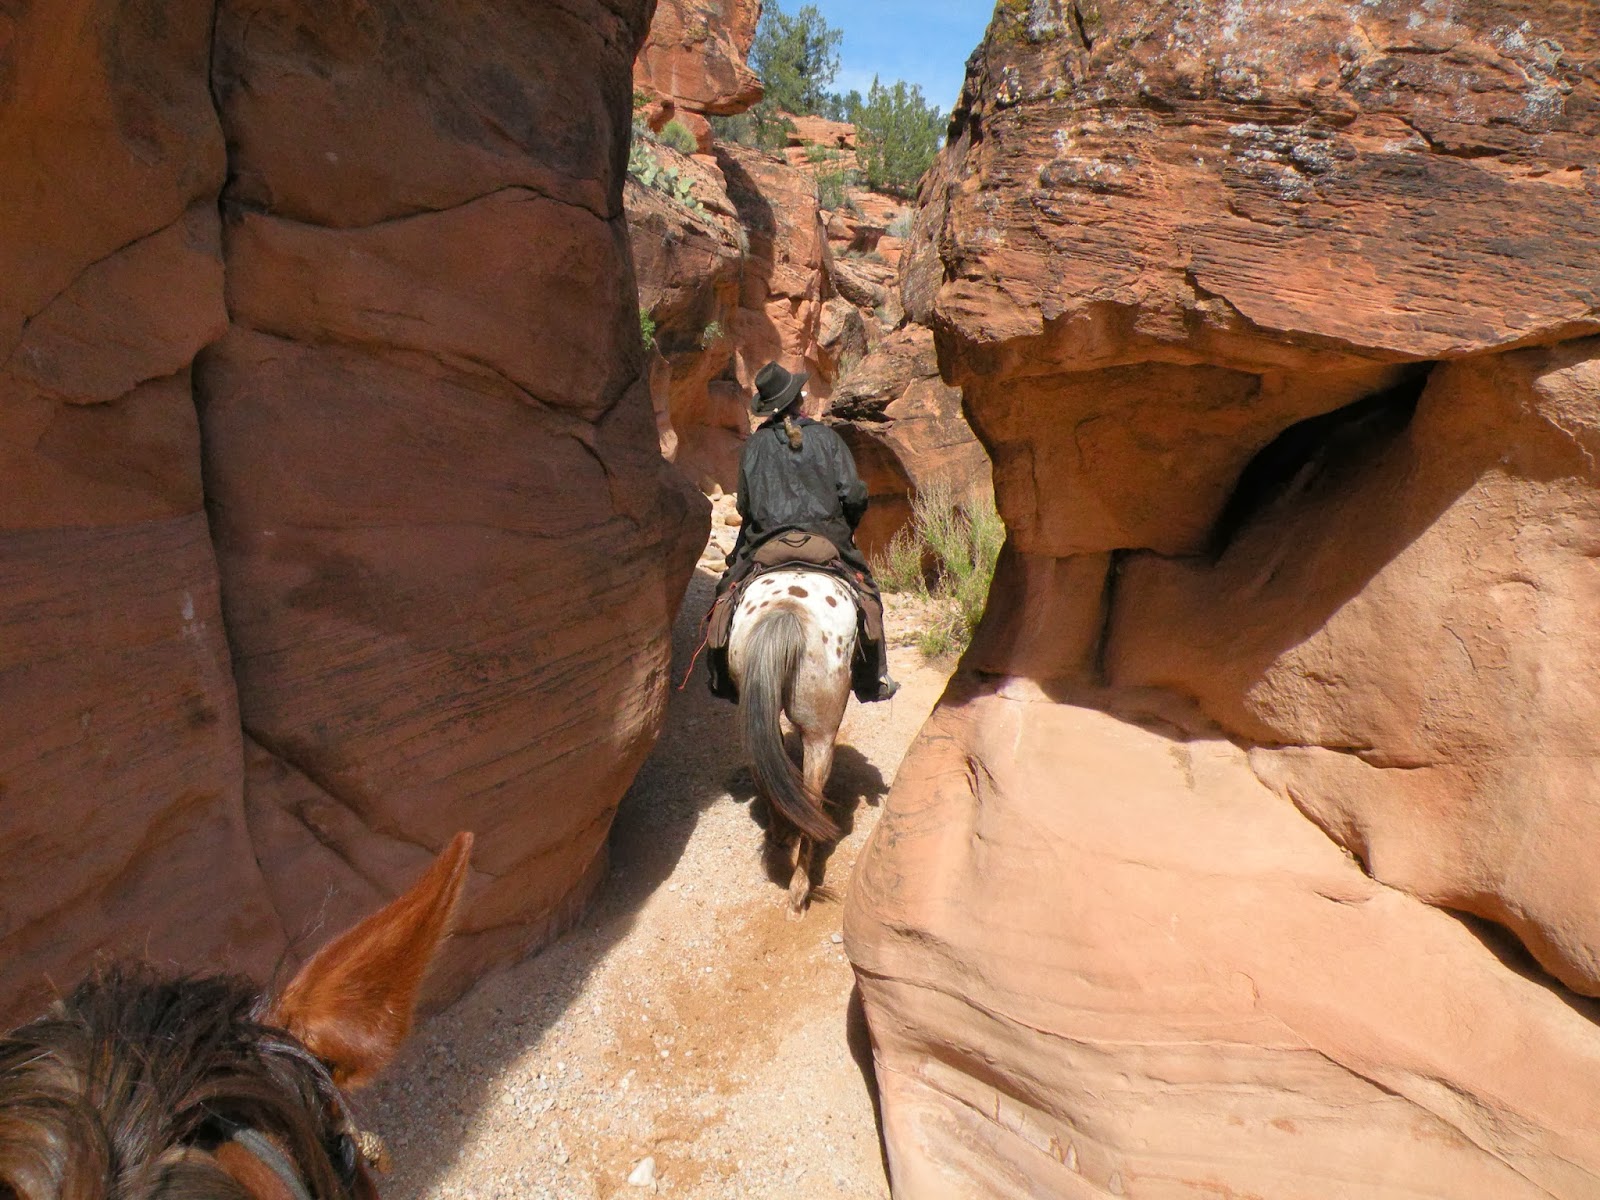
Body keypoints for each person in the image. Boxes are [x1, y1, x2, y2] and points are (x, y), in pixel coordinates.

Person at [707, 361, 899, 702]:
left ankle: (722, 679)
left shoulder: (754, 447)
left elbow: (745, 508)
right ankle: (874, 680)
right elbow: (853, 493)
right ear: (800, 401)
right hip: (826, 540)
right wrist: (846, 526)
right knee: (868, 594)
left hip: (766, 544)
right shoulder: (827, 439)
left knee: (725, 595)